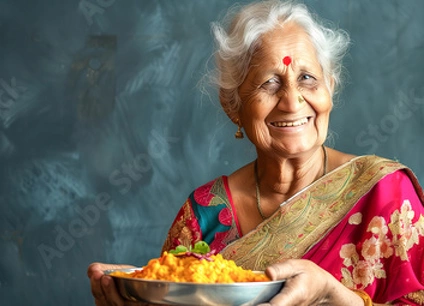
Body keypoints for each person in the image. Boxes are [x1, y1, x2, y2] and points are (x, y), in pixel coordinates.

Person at [87, 0, 424, 305]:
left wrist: (333, 295)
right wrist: (136, 297)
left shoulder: (386, 194)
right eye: (269, 83)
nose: (292, 102)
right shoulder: (202, 216)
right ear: (233, 104)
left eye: (307, 78)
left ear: (329, 89)